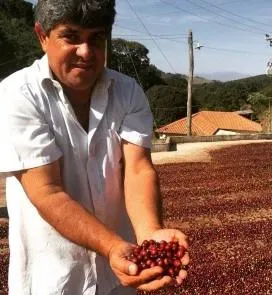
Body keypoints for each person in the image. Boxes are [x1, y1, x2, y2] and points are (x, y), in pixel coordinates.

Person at [0, 0, 189, 294]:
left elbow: (138, 169)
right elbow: (47, 192)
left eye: (96, 38)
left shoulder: (127, 92)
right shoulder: (17, 95)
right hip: (54, 280)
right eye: (71, 37)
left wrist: (150, 234)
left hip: (119, 280)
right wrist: (112, 246)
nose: (86, 52)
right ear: (42, 35)